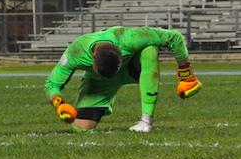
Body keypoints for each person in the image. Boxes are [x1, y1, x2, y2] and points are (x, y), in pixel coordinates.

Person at [45, 25, 203, 133]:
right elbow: (52, 84)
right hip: (99, 82)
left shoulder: (130, 37)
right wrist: (59, 105)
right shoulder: (75, 52)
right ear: (92, 61)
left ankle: (146, 120)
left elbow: (174, 37)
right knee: (81, 128)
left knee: (150, 50)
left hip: (130, 68)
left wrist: (186, 74)